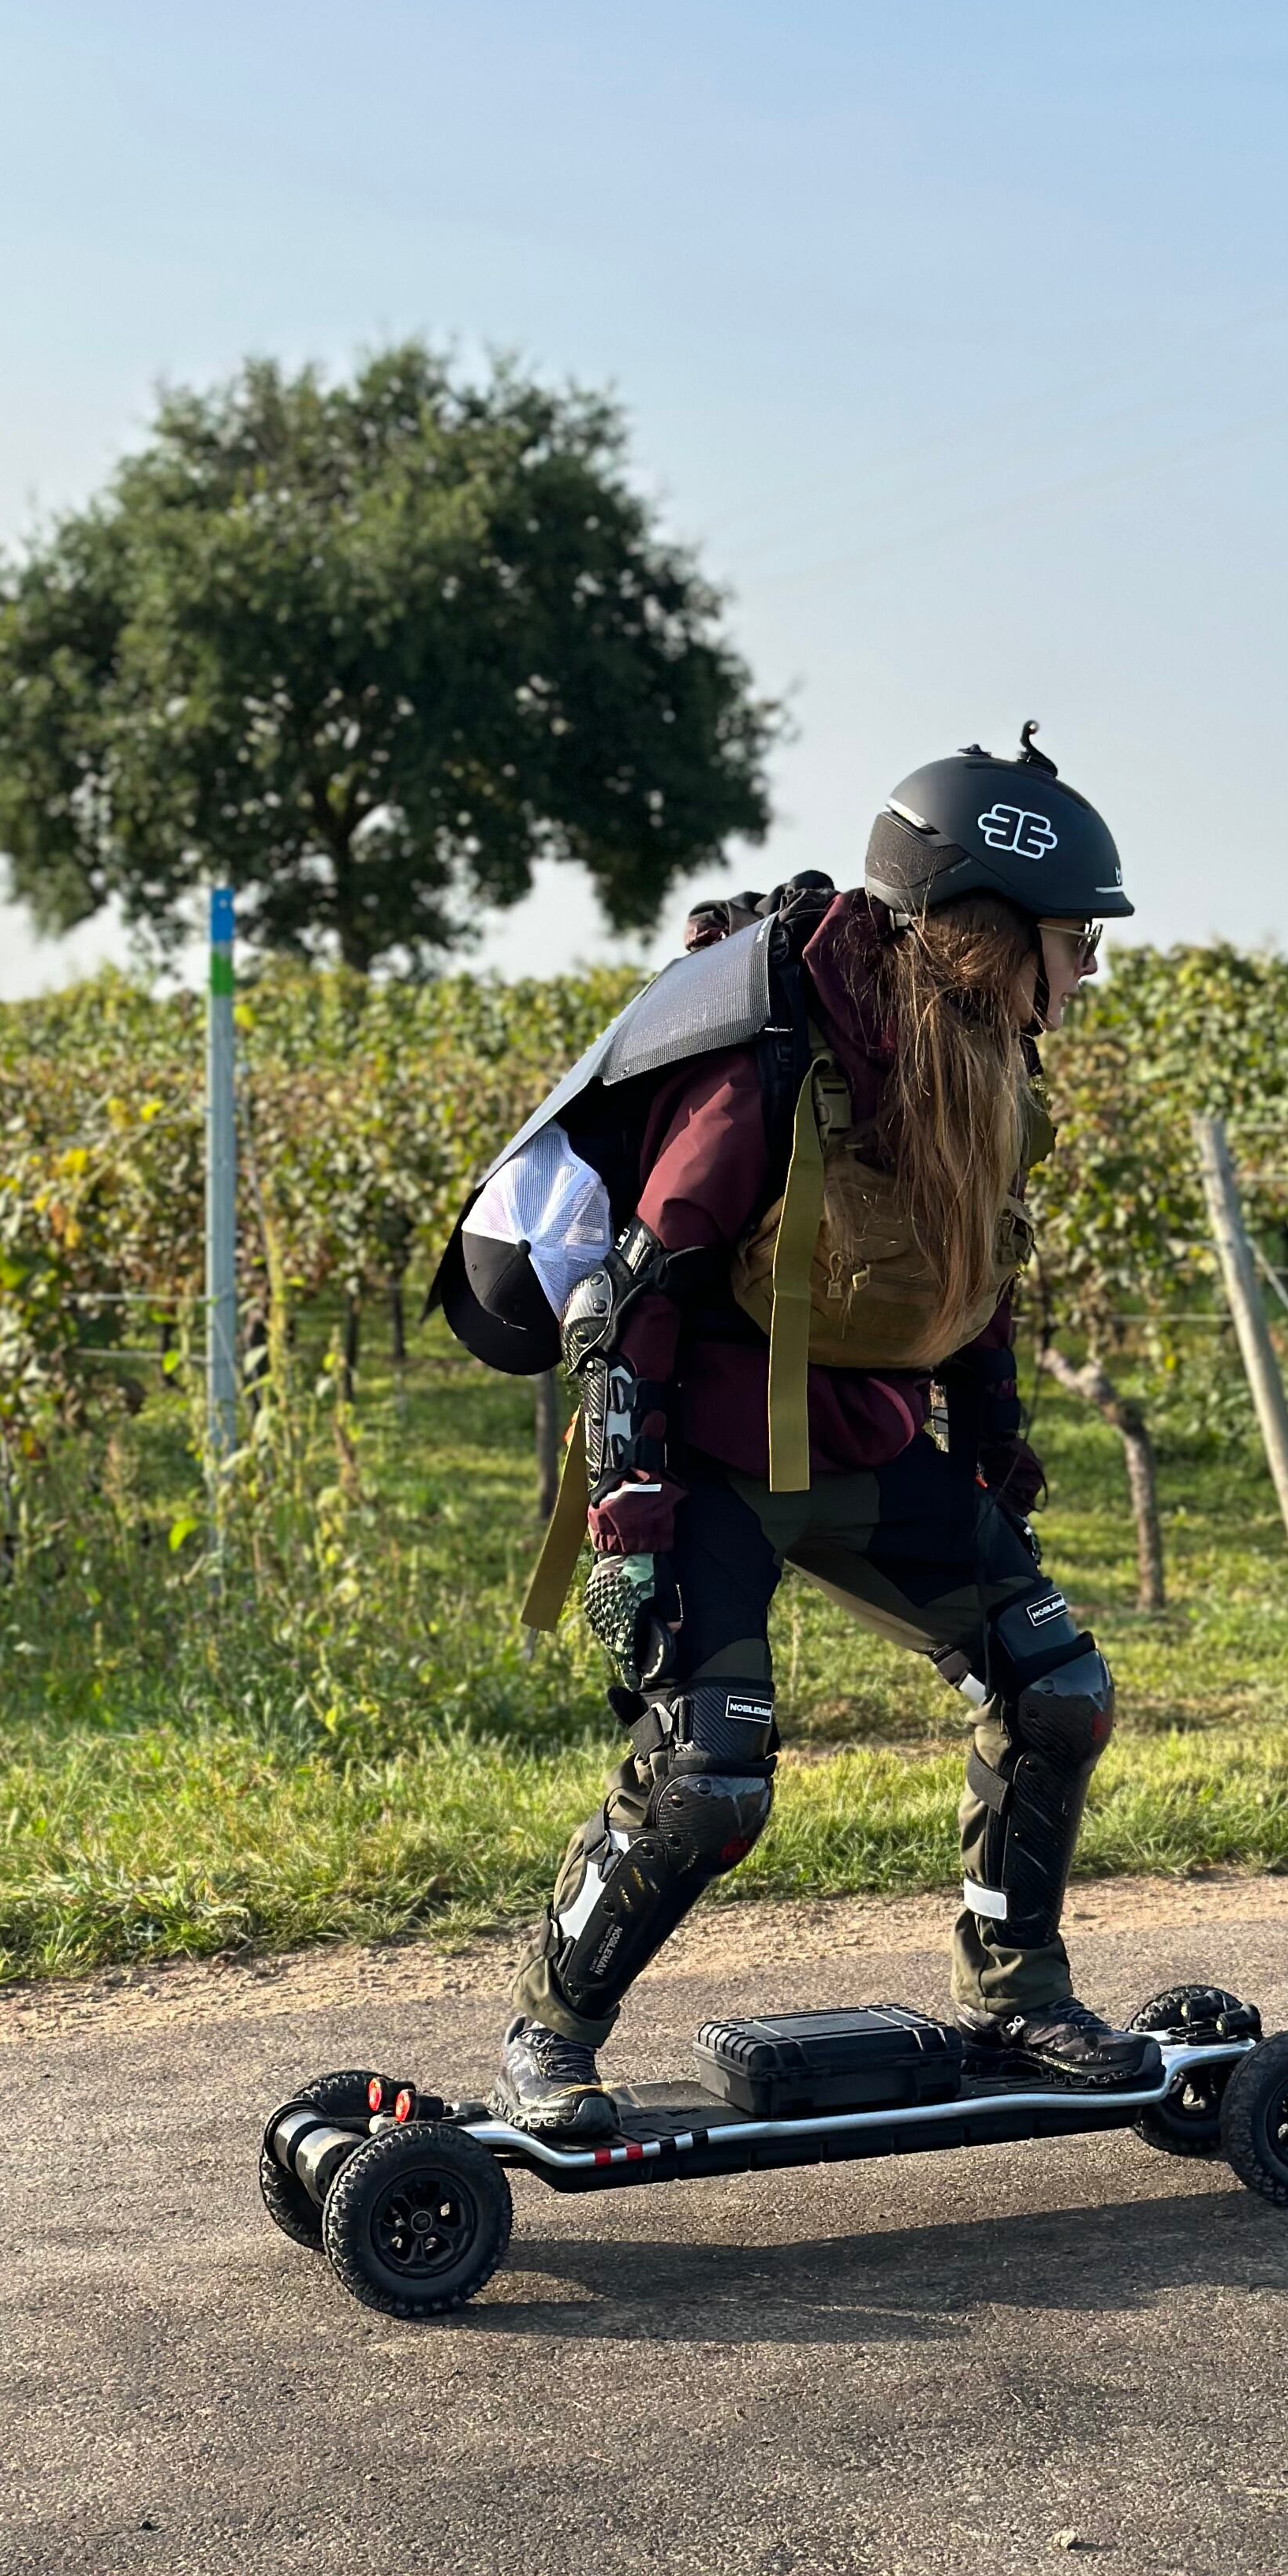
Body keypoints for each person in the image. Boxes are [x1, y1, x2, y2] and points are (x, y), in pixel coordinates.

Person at [496, 728, 1159, 2137]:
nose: (1091, 967)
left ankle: (1020, 1995)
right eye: (1074, 938)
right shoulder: (775, 1062)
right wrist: (629, 1510)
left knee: (1056, 1693)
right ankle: (549, 2039)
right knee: (712, 1785)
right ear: (987, 932)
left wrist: (991, 1449)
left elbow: (965, 1283)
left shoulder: (978, 1062)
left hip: (860, 1446)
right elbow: (633, 1292)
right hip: (712, 1469)